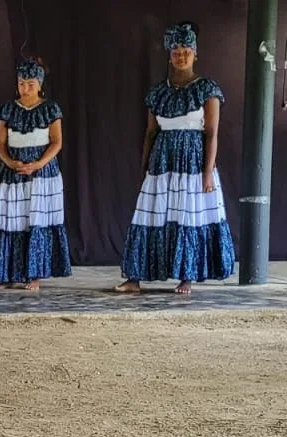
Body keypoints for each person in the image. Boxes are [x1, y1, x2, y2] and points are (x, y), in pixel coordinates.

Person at [118, 22, 236, 295]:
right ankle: (135, 278)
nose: (181, 56)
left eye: (186, 51)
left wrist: (208, 172)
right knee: (151, 216)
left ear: (195, 53)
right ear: (169, 55)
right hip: (161, 163)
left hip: (192, 163)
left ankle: (186, 276)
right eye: (175, 51)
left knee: (187, 216)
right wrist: (144, 167)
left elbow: (212, 133)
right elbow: (150, 132)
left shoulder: (207, 89)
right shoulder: (158, 92)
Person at [0, 57, 70, 290]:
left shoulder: (50, 109)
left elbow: (56, 142)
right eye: (21, 83)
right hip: (13, 173)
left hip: (42, 174)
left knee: (36, 220)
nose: (25, 88)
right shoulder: (7, 110)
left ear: (39, 84)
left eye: (30, 83)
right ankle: (7, 273)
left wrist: (38, 164)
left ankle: (34, 274)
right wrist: (11, 162)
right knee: (11, 220)